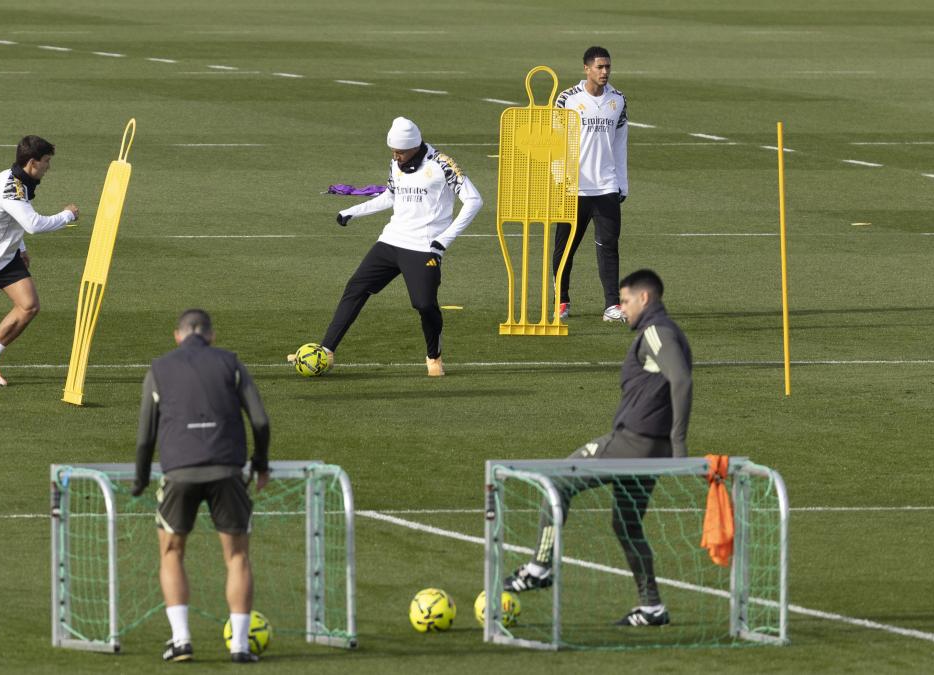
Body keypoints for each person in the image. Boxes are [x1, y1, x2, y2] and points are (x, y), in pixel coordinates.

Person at [503, 269, 691, 626]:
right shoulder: (664, 332)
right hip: (651, 449)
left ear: (645, 298)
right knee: (627, 524)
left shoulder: (656, 331)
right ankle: (652, 606)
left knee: (557, 481)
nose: (622, 308)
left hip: (632, 444)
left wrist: (680, 445)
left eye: (625, 301)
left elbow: (680, 379)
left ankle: (540, 567)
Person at [132, 309, 271, 663]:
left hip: (179, 472)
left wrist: (142, 476)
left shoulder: (159, 368)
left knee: (172, 552)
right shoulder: (231, 363)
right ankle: (240, 646)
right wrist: (261, 463)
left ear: (177, 335)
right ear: (210, 335)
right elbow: (260, 420)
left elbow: (146, 435)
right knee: (238, 556)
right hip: (227, 469)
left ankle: (181, 641)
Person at [295, 117, 482, 377]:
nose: (396, 156)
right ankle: (326, 350)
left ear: (415, 145)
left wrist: (443, 241)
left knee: (424, 305)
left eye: (401, 151)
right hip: (391, 241)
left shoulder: (442, 164)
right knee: (356, 287)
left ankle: (434, 357)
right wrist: (353, 211)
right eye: (393, 151)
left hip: (424, 247)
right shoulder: (396, 163)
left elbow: (474, 201)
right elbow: (391, 196)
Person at [0, 135, 79, 386]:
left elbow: (11, 219)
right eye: (46, 161)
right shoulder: (11, 187)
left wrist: (19, 246)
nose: (48, 167)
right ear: (32, 162)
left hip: (5, 258)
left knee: (29, 306)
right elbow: (32, 224)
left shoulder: (22, 181)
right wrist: (67, 215)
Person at [551, 46, 629, 323]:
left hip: (606, 186)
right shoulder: (567, 99)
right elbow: (555, 143)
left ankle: (612, 305)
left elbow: (620, 143)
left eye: (608, 66)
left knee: (609, 246)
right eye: (599, 67)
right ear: (586, 68)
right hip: (574, 187)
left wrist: (622, 182)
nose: (605, 71)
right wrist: (560, 180)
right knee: (564, 248)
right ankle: (561, 300)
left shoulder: (618, 100)